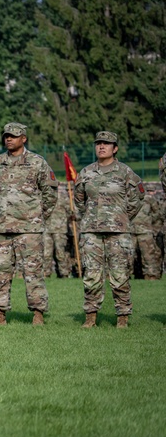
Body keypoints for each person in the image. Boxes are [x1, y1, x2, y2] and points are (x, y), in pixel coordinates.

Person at [0, 123, 57, 326]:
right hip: (2, 227)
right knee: (1, 272)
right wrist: (4, 210)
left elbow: (50, 192)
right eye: (6, 136)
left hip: (29, 229)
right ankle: (0, 314)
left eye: (13, 136)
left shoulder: (37, 162)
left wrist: (38, 216)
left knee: (33, 272)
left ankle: (38, 313)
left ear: (23, 138)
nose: (9, 139)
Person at [74, 131, 145, 329]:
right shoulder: (86, 172)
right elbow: (79, 200)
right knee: (91, 275)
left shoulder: (125, 172)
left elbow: (137, 198)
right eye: (98, 143)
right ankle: (90, 316)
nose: (101, 147)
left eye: (106, 144)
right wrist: (90, 217)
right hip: (91, 232)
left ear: (115, 148)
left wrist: (121, 217)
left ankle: (122, 317)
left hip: (119, 232)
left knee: (120, 274)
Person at [43, 189, 72, 278]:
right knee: (46, 253)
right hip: (46, 228)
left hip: (60, 229)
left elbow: (70, 210)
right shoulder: (43, 196)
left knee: (60, 253)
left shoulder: (63, 196)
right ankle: (45, 274)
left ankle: (64, 273)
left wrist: (71, 216)